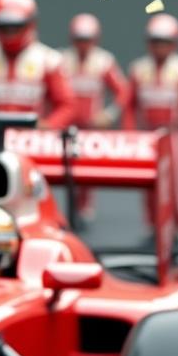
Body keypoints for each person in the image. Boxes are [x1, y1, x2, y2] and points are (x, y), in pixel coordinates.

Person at [124, 13, 178, 235]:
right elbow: (129, 105)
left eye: (165, 42)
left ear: (174, 44)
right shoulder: (138, 69)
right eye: (155, 41)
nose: (159, 47)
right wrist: (130, 134)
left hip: (173, 135)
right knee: (148, 183)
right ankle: (152, 227)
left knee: (176, 185)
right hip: (147, 136)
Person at [0, 0, 75, 129]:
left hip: (31, 142)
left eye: (15, 27)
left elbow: (66, 105)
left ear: (31, 23)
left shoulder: (49, 61)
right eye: (4, 27)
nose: (10, 33)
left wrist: (47, 126)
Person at [61, 13, 129, 216]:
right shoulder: (61, 60)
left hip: (91, 126)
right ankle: (69, 208)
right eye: (79, 39)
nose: (83, 44)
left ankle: (85, 208)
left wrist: (109, 114)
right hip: (66, 127)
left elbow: (124, 92)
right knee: (64, 168)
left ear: (95, 39)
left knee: (86, 168)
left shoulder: (104, 61)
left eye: (87, 39)